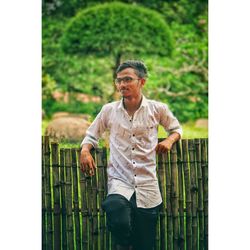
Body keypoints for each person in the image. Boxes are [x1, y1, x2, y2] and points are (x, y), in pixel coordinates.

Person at [80, 60, 182, 250]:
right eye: (119, 80)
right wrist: (85, 151)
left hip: (148, 187)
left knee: (146, 244)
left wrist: (169, 141)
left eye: (127, 79)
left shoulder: (157, 109)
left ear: (141, 82)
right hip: (120, 182)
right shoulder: (108, 110)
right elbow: (91, 135)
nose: (122, 85)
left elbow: (176, 129)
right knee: (115, 210)